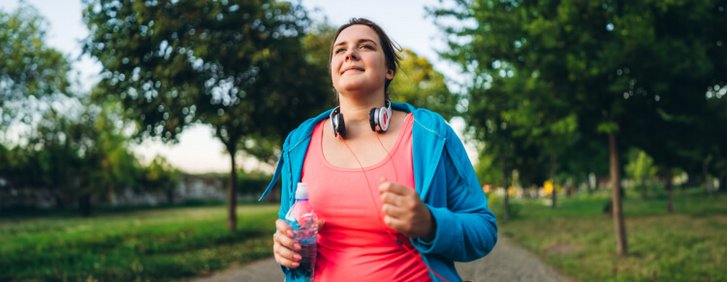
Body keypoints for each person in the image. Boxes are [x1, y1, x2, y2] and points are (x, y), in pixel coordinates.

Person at [259, 18, 497, 282]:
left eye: (366, 46)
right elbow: (291, 238)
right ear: (332, 71)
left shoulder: (430, 134)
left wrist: (430, 224)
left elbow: (483, 229)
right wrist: (286, 250)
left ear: (389, 70)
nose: (350, 53)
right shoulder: (299, 143)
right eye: (340, 50)